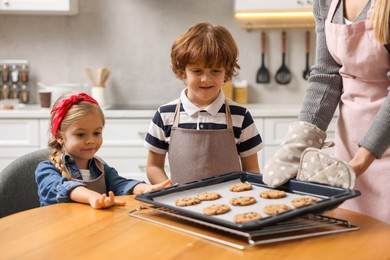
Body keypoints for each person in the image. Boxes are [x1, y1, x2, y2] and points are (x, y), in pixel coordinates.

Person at [263, 0, 390, 224]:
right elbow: (326, 76)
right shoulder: (326, 2)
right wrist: (297, 144)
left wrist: (361, 161)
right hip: (349, 147)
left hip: (380, 144)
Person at [144, 22, 262, 185]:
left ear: (226, 71)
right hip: (180, 204)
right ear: (182, 70)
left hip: (230, 205)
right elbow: (153, 167)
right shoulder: (165, 115)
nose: (206, 79)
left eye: (215, 71)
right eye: (197, 71)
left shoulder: (240, 116)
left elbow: (252, 171)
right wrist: (169, 190)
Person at [35, 93, 170, 209]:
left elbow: (121, 184)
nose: (91, 140)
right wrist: (91, 196)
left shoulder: (102, 169)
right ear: (59, 137)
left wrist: (145, 189)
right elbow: (61, 187)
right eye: (81, 135)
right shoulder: (46, 170)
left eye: (96, 133)